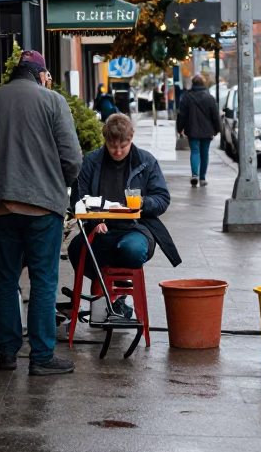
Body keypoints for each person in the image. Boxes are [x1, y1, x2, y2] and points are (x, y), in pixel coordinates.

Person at [0, 49, 82, 376]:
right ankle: (42, 356)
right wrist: (59, 185)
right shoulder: (53, 102)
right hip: (43, 207)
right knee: (44, 281)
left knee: (5, 280)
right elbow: (73, 158)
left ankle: (6, 353)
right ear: (41, 74)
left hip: (2, 207)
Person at [69, 112, 181, 317]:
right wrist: (94, 220)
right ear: (105, 141)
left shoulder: (146, 161)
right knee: (77, 249)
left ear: (131, 139)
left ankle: (114, 295)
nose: (118, 151)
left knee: (131, 250)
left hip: (137, 227)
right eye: (113, 146)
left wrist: (142, 203)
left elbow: (162, 198)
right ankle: (108, 291)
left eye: (123, 146)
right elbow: (78, 199)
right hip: (100, 226)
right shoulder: (92, 161)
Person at [177, 74, 220, 187]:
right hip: (207, 131)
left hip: (192, 130)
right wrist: (217, 129)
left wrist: (179, 128)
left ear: (193, 84)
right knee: (204, 154)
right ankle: (202, 178)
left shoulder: (187, 97)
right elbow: (215, 116)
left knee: (195, 152)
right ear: (203, 84)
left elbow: (182, 115)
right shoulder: (209, 98)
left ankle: (194, 174)